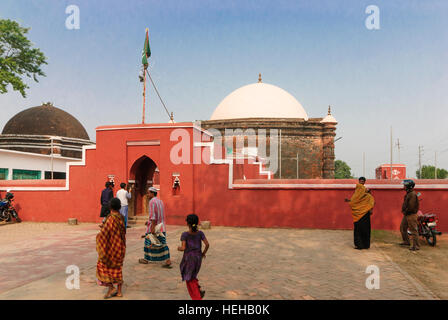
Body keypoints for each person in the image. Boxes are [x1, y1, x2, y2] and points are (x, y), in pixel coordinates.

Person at [96, 198, 126, 299]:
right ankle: (119, 292)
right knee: (118, 269)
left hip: (111, 248)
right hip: (120, 247)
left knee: (102, 266)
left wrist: (100, 233)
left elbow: (104, 234)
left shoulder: (111, 219)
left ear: (110, 207)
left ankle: (111, 287)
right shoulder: (121, 217)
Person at [178, 214, 209, 300]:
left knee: (189, 278)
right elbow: (207, 244)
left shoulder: (185, 234)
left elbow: (183, 248)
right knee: (193, 275)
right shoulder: (200, 233)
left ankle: (197, 297)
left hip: (189, 259)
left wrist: (179, 248)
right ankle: (198, 289)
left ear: (187, 224)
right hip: (198, 258)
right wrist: (203, 253)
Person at [139, 187, 172, 268]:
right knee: (162, 243)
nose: (148, 194)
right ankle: (167, 260)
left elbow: (153, 216)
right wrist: (149, 222)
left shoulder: (152, 202)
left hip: (155, 226)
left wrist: (152, 227)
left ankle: (147, 259)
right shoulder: (160, 201)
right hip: (161, 227)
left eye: (149, 193)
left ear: (152, 193)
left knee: (148, 241)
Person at [345, 177, 375, 250]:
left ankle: (360, 245)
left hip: (362, 215)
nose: (361, 183)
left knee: (360, 230)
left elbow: (354, 202)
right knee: (364, 229)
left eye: (362, 181)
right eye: (360, 181)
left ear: (364, 182)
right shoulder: (364, 193)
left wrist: (370, 209)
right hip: (364, 214)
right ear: (359, 181)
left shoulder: (365, 193)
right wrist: (349, 201)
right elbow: (354, 201)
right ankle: (364, 245)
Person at [400, 179, 420, 251]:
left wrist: (405, 211)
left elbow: (411, 206)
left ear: (408, 186)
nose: (403, 186)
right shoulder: (408, 194)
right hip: (407, 214)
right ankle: (406, 241)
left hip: (411, 214)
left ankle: (416, 246)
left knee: (413, 230)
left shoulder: (412, 194)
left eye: (405, 185)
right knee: (402, 227)